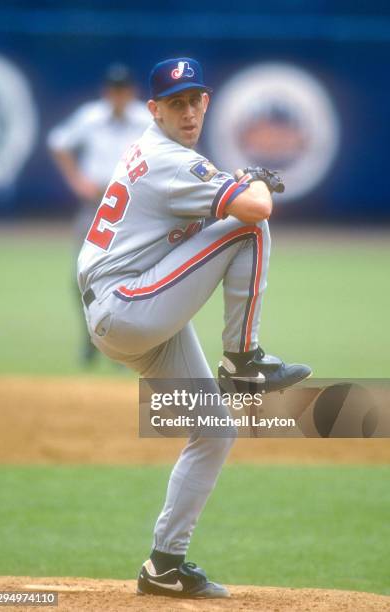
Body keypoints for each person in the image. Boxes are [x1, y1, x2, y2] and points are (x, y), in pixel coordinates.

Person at [77, 57, 312, 599]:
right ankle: (244, 359)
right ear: (153, 109)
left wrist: (236, 184)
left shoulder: (155, 149)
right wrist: (248, 183)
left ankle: (164, 565)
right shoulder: (167, 158)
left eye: (194, 101)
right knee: (250, 229)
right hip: (128, 306)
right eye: (175, 104)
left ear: (206, 102)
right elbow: (256, 207)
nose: (187, 112)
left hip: (131, 309)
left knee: (214, 431)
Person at [48, 63, 150, 363]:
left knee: (132, 275)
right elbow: (58, 143)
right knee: (81, 274)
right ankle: (90, 338)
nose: (118, 95)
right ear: (107, 91)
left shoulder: (145, 119)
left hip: (134, 208)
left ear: (132, 91)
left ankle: (124, 346)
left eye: (123, 89)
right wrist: (76, 179)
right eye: (113, 89)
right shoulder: (90, 117)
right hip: (95, 206)